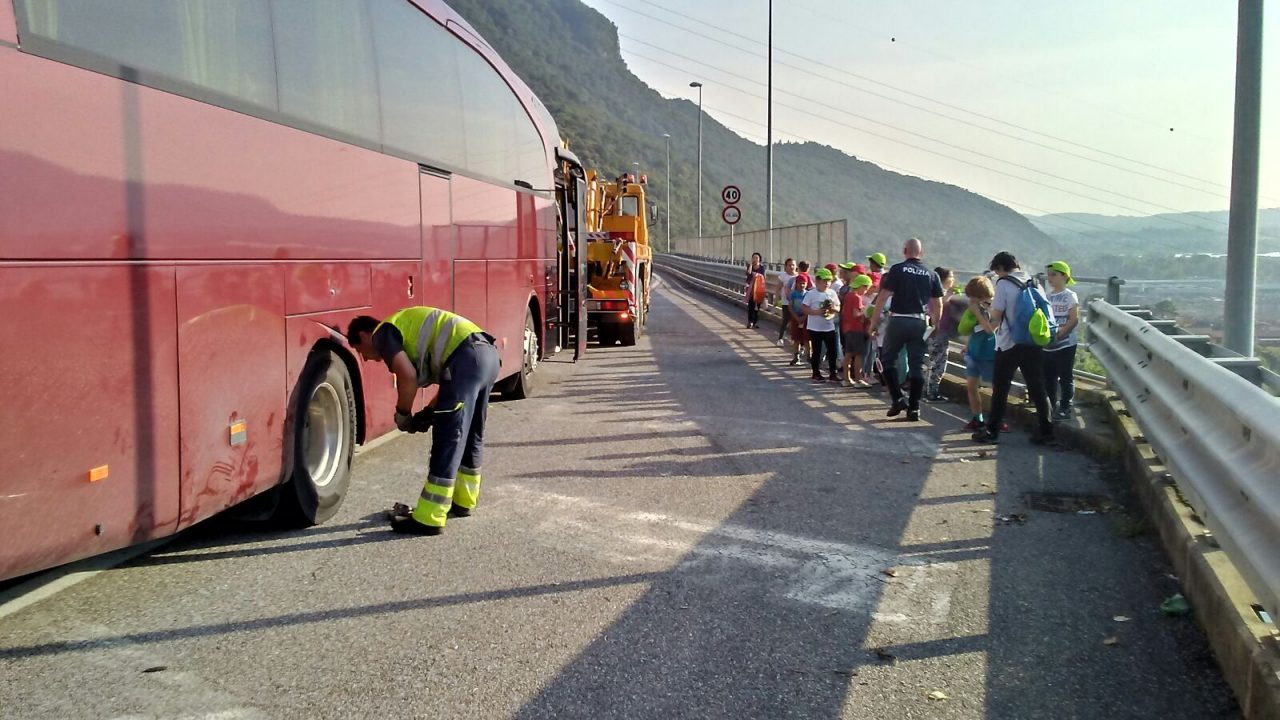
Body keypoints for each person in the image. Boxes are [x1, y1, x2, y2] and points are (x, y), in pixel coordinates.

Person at [347, 307, 500, 535]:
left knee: (448, 438)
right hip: (487, 357)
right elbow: (452, 386)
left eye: (360, 351)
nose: (367, 359)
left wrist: (403, 415)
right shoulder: (407, 327)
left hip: (466, 360)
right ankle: (464, 500)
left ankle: (430, 517)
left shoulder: (383, 333)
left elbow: (407, 377)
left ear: (362, 336)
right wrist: (429, 412)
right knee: (470, 434)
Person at [971, 252, 1055, 445]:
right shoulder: (1034, 281)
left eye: (997, 271)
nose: (997, 275)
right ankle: (1047, 432)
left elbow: (997, 315)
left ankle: (992, 432)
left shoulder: (1003, 283)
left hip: (1009, 342)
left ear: (1000, 267)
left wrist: (987, 308)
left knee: (1000, 388)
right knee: (1037, 387)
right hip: (1032, 341)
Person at [868, 238, 943, 421]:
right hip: (919, 322)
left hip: (898, 320)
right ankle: (915, 408)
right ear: (921, 253)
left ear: (904, 250)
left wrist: (873, 323)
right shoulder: (932, 274)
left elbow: (882, 297)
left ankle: (898, 398)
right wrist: (935, 325)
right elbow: (938, 304)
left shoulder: (898, 269)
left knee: (887, 360)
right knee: (916, 365)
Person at [957, 276, 999, 430]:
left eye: (973, 297)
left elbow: (989, 329)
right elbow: (974, 329)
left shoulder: (995, 307)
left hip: (988, 353)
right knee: (971, 386)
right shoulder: (976, 307)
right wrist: (967, 345)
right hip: (974, 351)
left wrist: (977, 312)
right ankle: (977, 418)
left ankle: (997, 419)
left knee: (996, 387)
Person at [1042, 260, 1081, 420]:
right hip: (1048, 344)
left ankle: (1066, 406)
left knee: (1065, 376)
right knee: (1048, 376)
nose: (1050, 278)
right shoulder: (1047, 296)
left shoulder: (1070, 296)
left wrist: (1061, 333)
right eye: (1048, 275)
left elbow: (1074, 318)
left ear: (1064, 276)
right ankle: (1051, 405)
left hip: (1066, 343)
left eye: (1054, 275)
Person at [923, 267, 960, 402]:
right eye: (951, 277)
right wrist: (950, 294)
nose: (953, 280)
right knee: (938, 363)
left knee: (932, 362)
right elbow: (939, 306)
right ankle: (932, 393)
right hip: (939, 332)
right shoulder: (939, 295)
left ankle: (927, 391)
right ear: (943, 279)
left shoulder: (929, 292)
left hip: (933, 333)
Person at [803, 268, 841, 383]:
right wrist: (817, 312)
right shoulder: (811, 294)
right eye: (824, 281)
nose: (827, 283)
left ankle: (833, 373)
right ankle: (815, 372)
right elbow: (804, 308)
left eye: (829, 281)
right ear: (818, 281)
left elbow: (838, 307)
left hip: (829, 326)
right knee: (817, 351)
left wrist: (832, 308)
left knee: (832, 351)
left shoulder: (832, 293)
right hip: (815, 328)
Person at [838, 268, 873, 387]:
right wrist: (865, 311)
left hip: (847, 328)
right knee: (858, 355)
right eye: (866, 287)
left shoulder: (848, 295)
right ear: (861, 286)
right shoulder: (857, 297)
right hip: (856, 329)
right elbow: (856, 314)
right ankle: (858, 379)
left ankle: (846, 379)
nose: (866, 290)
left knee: (848, 354)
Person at [787, 272, 812, 366]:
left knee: (807, 339)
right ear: (796, 284)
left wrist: (804, 317)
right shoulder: (793, 294)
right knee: (796, 338)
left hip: (806, 318)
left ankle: (809, 356)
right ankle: (796, 356)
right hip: (795, 318)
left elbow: (809, 307)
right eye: (800, 283)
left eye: (803, 283)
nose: (802, 285)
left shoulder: (808, 294)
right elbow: (790, 307)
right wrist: (796, 317)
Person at [776, 258, 797, 345]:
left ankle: (794, 338)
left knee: (794, 321)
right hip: (786, 302)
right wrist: (776, 299)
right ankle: (780, 339)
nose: (791, 267)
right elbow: (778, 288)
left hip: (796, 303)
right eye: (789, 265)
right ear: (785, 266)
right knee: (785, 320)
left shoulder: (798, 276)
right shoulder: (782, 276)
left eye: (793, 265)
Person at [744, 252, 766, 329]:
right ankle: (750, 321)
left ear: (759, 259)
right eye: (754, 257)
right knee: (751, 305)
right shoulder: (750, 266)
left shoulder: (762, 267)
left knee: (757, 306)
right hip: (750, 288)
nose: (755, 259)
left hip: (759, 288)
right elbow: (748, 273)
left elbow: (763, 277)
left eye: (757, 258)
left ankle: (755, 322)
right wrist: (750, 265)